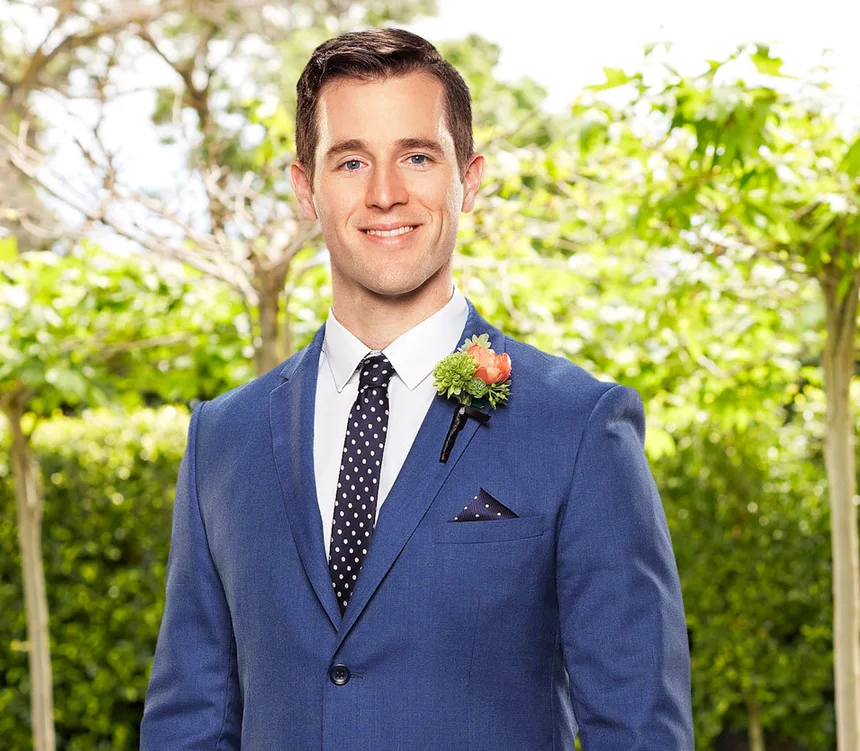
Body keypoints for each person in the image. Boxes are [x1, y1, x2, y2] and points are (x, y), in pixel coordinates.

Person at [140, 27, 693, 750]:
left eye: (417, 156)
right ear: (305, 187)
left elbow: (638, 729)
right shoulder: (223, 437)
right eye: (350, 161)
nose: (385, 194)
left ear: (470, 176)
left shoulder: (581, 425)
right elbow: (188, 724)